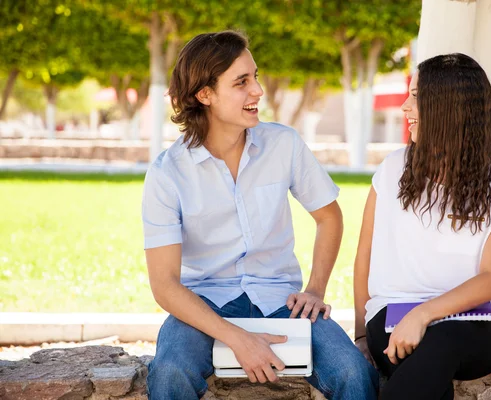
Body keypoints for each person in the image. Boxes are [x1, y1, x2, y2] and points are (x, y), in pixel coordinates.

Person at [142, 30, 378, 400]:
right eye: (242, 82)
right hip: (204, 304)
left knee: (353, 372)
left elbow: (329, 216)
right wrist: (238, 339)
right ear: (205, 94)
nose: (258, 91)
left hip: (281, 299)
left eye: (255, 77)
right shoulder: (167, 173)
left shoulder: (284, 144)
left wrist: (315, 289)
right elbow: (165, 285)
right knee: (170, 373)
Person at [353, 53, 491, 400]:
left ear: (448, 106)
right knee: (430, 362)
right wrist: (362, 336)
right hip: (390, 317)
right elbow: (365, 255)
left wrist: (424, 315)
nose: (404, 107)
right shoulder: (392, 169)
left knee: (440, 342)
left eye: (416, 96)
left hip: (475, 325)